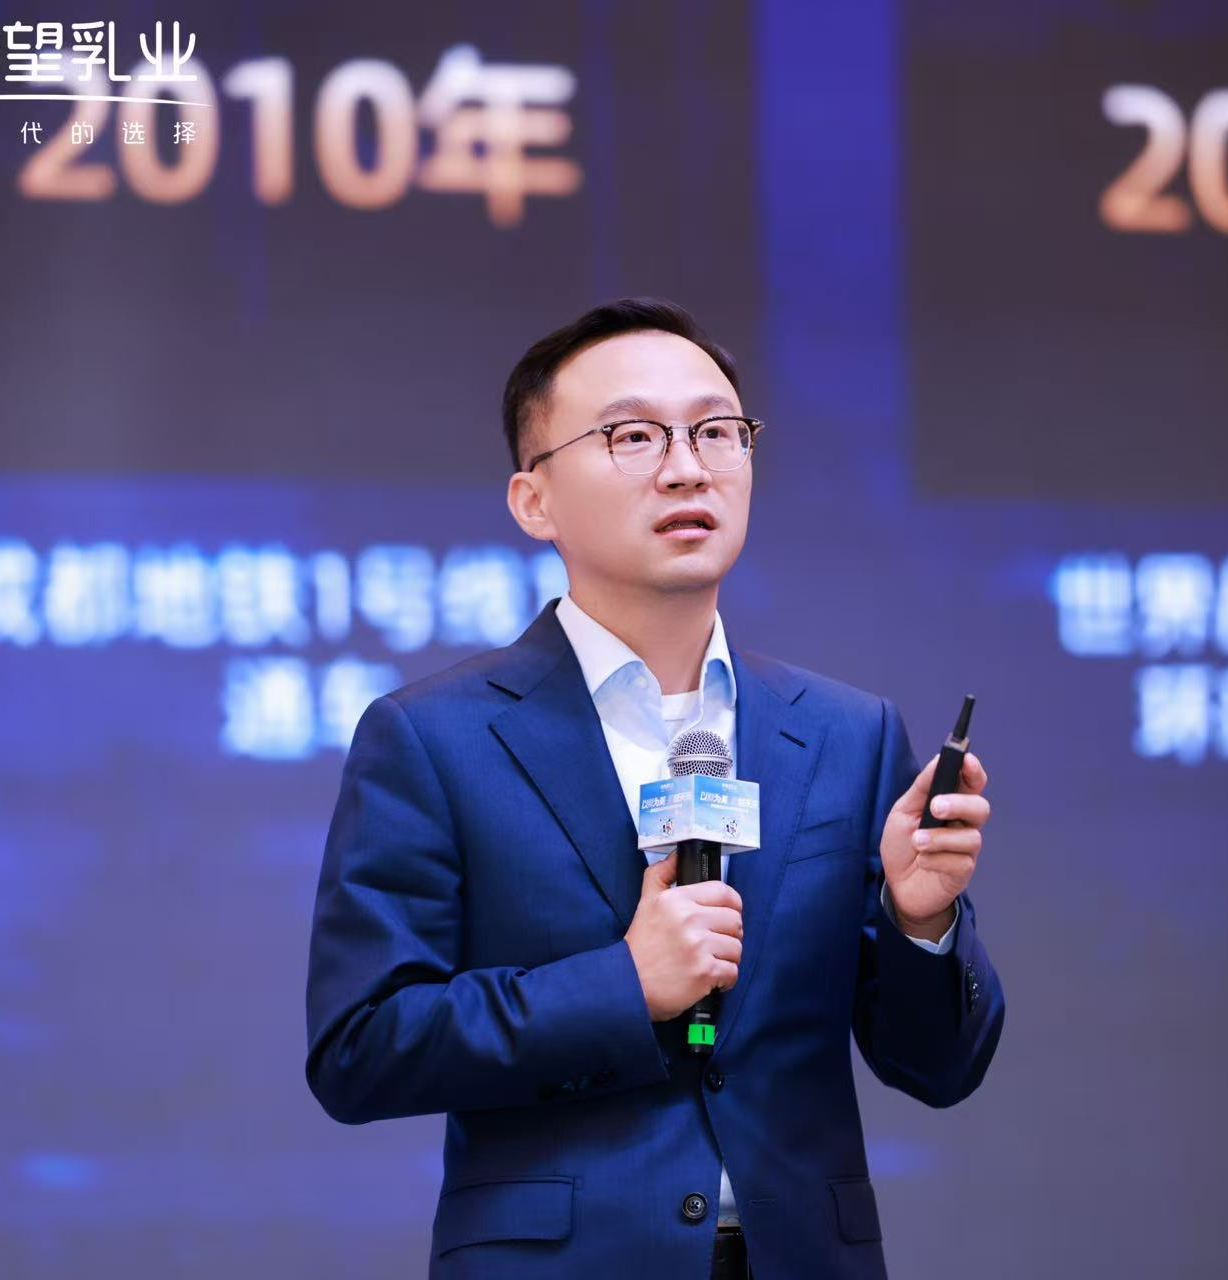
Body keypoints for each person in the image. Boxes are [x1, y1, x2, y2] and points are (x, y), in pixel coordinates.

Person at [304, 298, 1005, 1279]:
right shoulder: (434, 737)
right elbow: (361, 1046)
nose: (688, 467)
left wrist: (919, 921)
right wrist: (621, 986)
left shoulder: (847, 733)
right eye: (633, 436)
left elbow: (939, 1065)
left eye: (717, 431)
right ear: (534, 501)